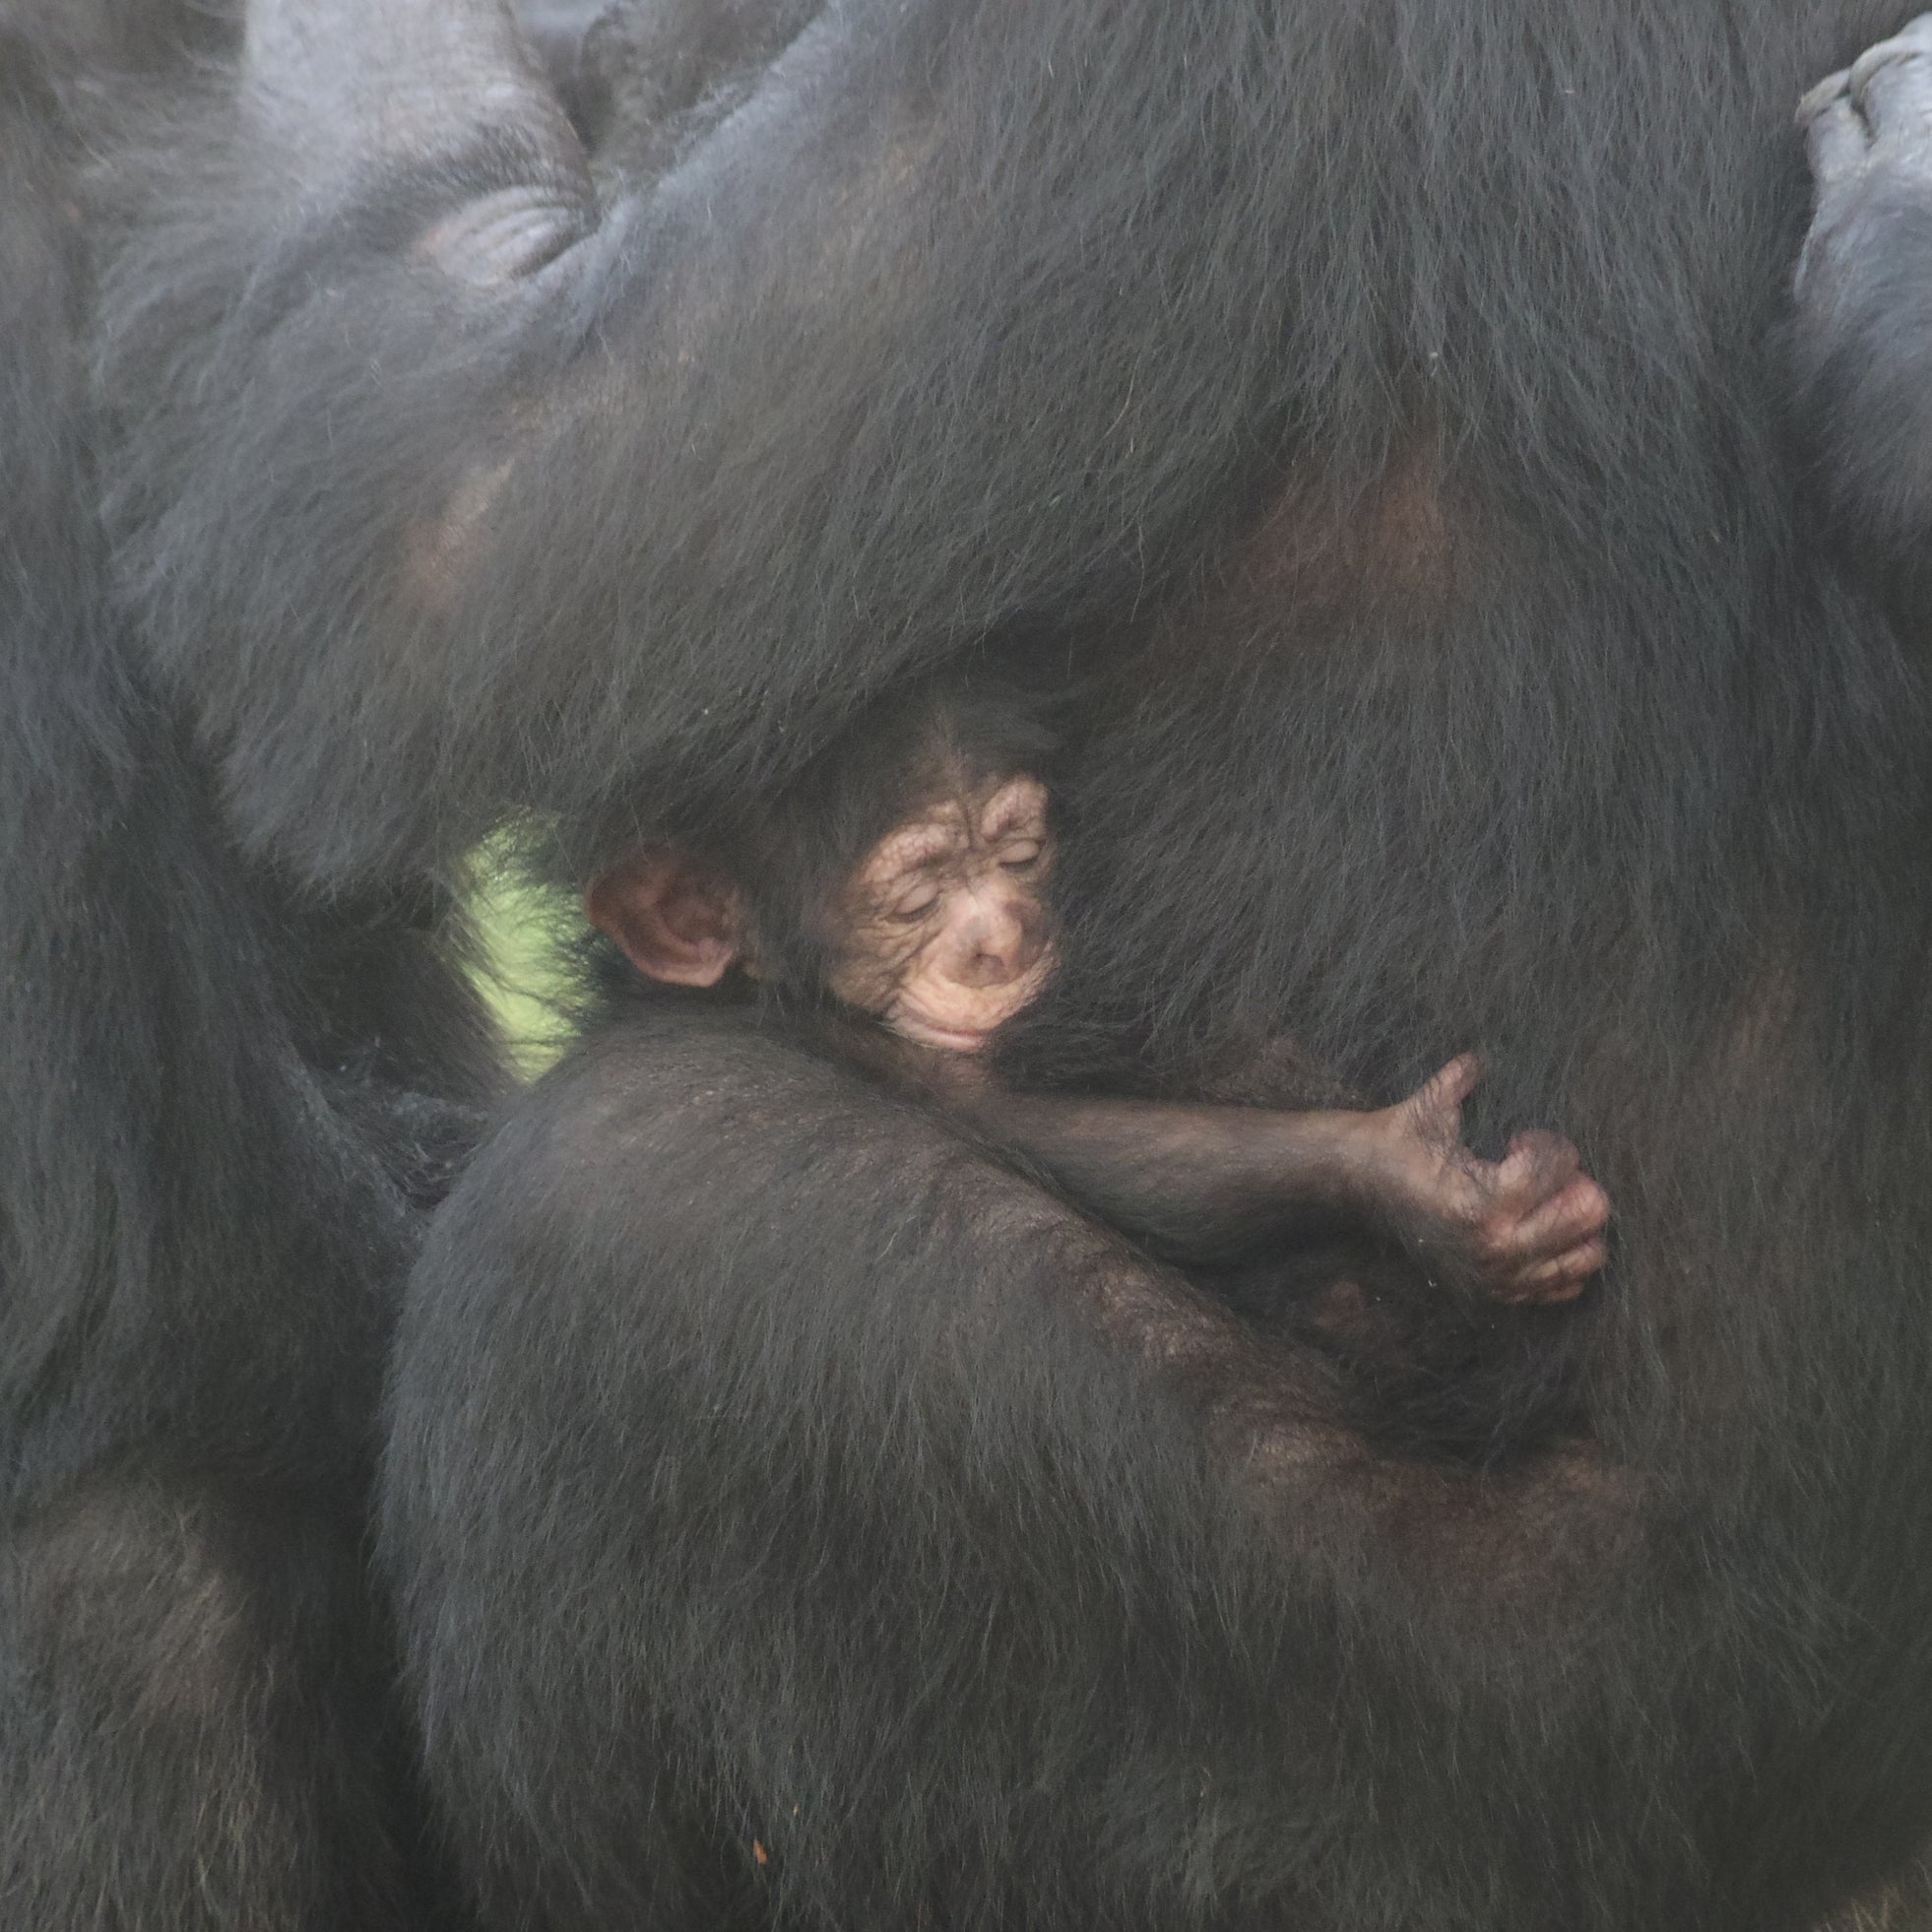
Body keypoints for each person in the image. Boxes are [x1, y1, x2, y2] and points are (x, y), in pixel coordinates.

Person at [587, 681, 1611, 1304]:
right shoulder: (761, 1064)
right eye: (917, 891)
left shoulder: (895, 984)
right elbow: (1026, 1128)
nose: (1000, 933)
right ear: (697, 923)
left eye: (1018, 851)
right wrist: (1355, 1159)